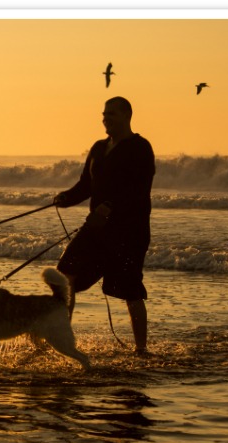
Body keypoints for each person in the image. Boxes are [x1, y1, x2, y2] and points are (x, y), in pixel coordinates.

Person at [53, 96, 155, 355]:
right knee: (64, 275)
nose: (105, 118)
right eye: (104, 114)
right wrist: (66, 197)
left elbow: (139, 190)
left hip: (129, 232)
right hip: (96, 229)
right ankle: (64, 338)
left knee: (131, 289)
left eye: (111, 114)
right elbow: (86, 186)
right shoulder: (99, 148)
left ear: (127, 116)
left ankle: (141, 349)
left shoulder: (140, 148)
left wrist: (109, 207)